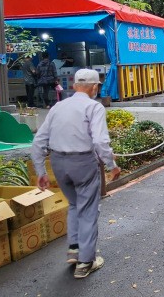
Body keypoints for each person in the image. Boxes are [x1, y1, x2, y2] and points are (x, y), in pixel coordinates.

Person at [31, 69, 120, 279]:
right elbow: (99, 141)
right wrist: (111, 164)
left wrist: (40, 171)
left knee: (73, 204)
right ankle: (86, 261)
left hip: (58, 163)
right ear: (94, 87)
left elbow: (38, 141)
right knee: (88, 209)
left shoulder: (58, 107)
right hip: (82, 162)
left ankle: (74, 249)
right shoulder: (93, 107)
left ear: (74, 86)